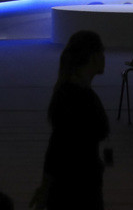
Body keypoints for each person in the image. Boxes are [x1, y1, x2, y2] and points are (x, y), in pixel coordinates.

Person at [32, 30, 109, 210]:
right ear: (93, 57)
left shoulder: (66, 92)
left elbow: (56, 145)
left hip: (70, 184)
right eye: (102, 53)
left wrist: (45, 186)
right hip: (79, 187)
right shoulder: (82, 98)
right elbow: (59, 146)